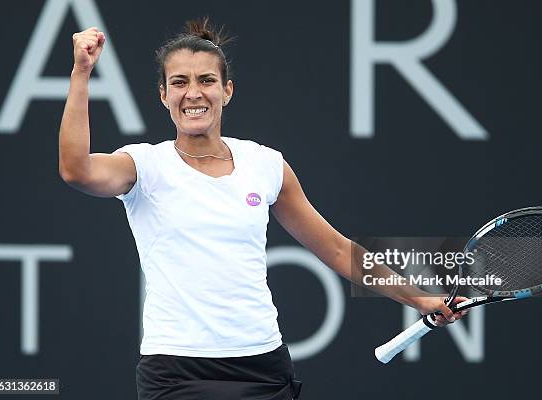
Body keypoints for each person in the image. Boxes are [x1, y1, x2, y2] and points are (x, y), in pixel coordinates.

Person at [59, 18, 467, 400]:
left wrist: (417, 298)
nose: (193, 93)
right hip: (175, 369)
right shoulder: (143, 165)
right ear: (164, 95)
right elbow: (76, 170)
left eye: (206, 80)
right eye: (179, 82)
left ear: (227, 91)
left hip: (262, 365)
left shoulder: (266, 164)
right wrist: (81, 74)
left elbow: (339, 250)